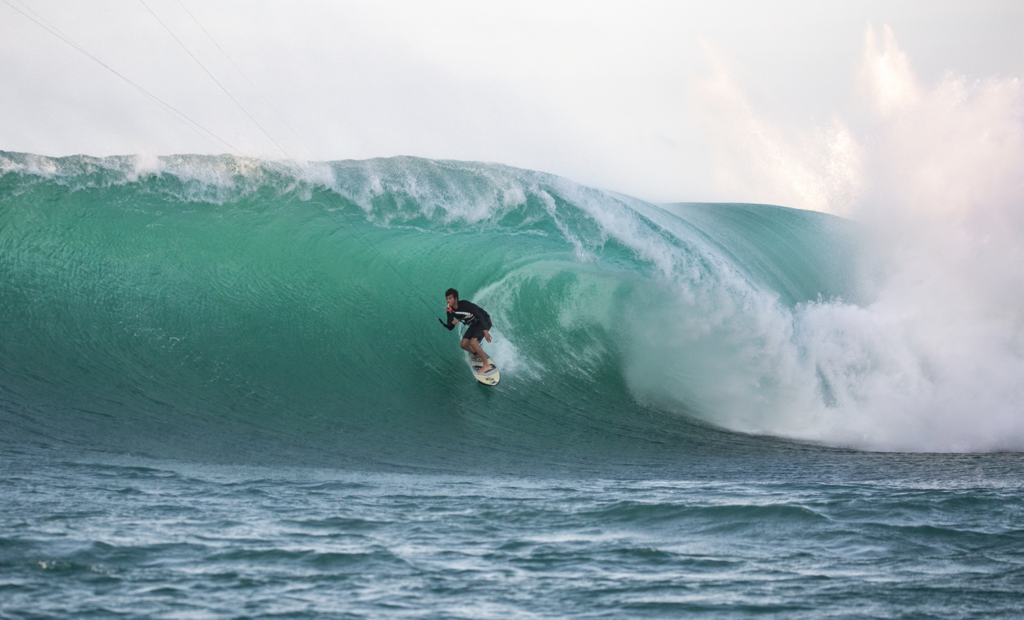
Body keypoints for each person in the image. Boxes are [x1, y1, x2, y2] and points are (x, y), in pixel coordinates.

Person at [439, 288, 494, 374]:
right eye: (447, 298)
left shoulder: (465, 305)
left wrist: (485, 331)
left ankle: (487, 365)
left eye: (450, 298)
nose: (448, 300)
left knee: (473, 342)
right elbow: (450, 327)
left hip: (484, 320)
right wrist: (452, 323)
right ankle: (476, 353)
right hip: (475, 324)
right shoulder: (449, 310)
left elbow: (480, 315)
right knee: (463, 345)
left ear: (456, 299)